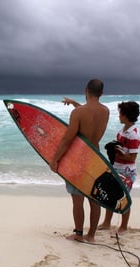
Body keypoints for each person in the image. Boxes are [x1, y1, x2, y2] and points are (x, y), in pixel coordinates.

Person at [50, 79, 109, 242]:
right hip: (96, 158)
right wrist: (74, 103)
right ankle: (91, 236)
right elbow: (89, 119)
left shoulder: (78, 113)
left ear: (86, 90)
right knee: (94, 198)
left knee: (77, 198)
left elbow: (67, 139)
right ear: (101, 93)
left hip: (79, 158)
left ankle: (78, 233)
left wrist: (55, 160)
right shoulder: (106, 111)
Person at [98, 101, 140, 233]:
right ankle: (106, 222)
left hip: (127, 172)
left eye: (120, 113)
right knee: (111, 195)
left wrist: (117, 153)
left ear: (125, 115)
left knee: (124, 197)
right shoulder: (122, 131)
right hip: (116, 167)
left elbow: (132, 158)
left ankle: (123, 226)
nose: (119, 116)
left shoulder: (133, 135)